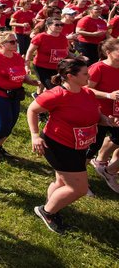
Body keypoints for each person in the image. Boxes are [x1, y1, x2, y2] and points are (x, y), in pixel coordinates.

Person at [27, 58, 119, 234]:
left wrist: (107, 121)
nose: (89, 75)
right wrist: (34, 135)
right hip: (58, 145)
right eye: (85, 73)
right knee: (79, 188)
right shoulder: (56, 94)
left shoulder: (87, 93)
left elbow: (96, 115)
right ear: (70, 76)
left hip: (79, 145)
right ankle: (47, 212)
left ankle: (52, 206)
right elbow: (32, 110)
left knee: (61, 181)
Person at [0, 30, 39, 157]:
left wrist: (30, 81)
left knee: (10, 124)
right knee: (2, 126)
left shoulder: (17, 57)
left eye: (16, 41)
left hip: (14, 95)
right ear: (2, 44)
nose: (15, 43)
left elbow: (21, 74)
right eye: (12, 42)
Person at [86, 38, 119, 192]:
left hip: (116, 114)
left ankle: (107, 169)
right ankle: (79, 181)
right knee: (91, 148)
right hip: (98, 114)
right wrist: (108, 95)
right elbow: (86, 89)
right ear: (108, 53)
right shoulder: (98, 68)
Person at [26, 17, 71, 91]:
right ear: (48, 26)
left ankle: (39, 96)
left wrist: (77, 58)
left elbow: (66, 52)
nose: (60, 27)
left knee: (59, 88)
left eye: (61, 25)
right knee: (54, 89)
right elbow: (30, 51)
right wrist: (27, 65)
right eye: (57, 25)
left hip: (58, 68)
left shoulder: (63, 38)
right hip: (42, 67)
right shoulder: (41, 37)